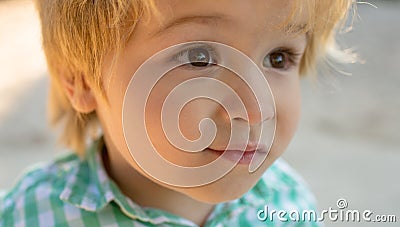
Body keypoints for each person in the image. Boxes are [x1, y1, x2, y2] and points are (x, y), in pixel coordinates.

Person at [0, 0, 354, 226]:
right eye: (199, 58)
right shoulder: (31, 214)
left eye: (279, 57)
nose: (255, 109)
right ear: (82, 81)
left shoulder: (288, 205)